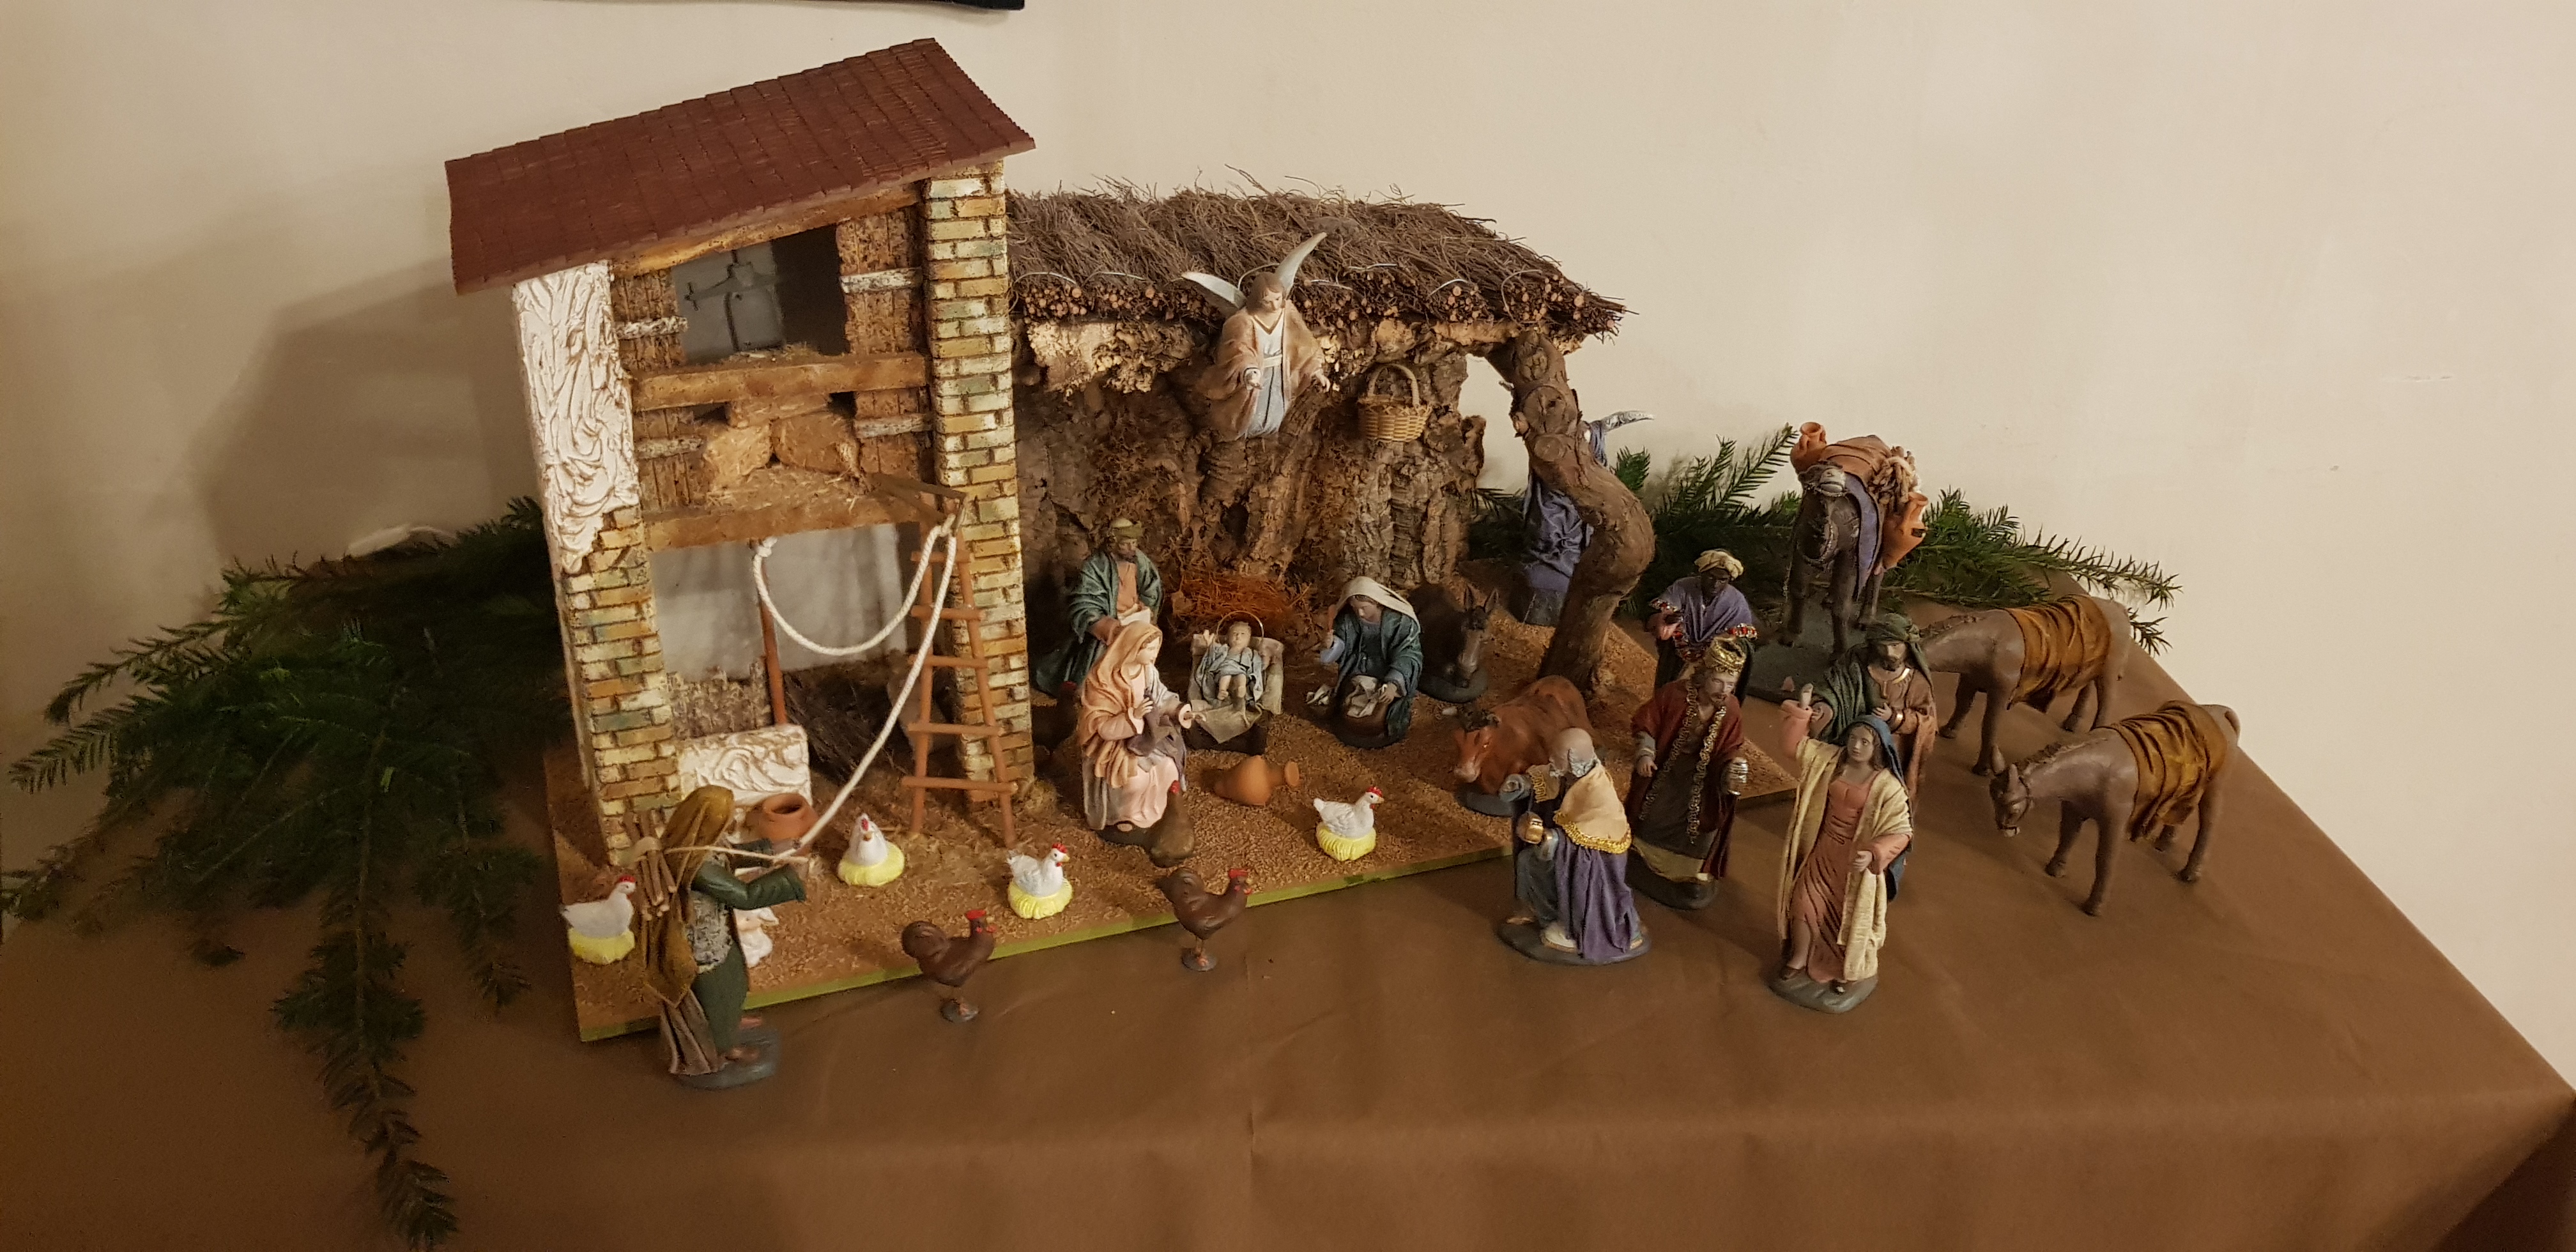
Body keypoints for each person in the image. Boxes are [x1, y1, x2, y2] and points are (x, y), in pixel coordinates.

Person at [638, 786, 811, 1085]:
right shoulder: (697, 866)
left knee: (736, 982)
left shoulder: (701, 842)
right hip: (702, 948)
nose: (732, 820)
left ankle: (733, 1021)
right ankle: (725, 1047)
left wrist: (772, 849)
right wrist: (791, 879)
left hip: (719, 935)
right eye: (726, 815)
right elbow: (744, 895)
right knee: (716, 999)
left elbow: (730, 856)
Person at [1770, 685, 1913, 1014]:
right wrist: (1803, 709)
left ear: (1878, 747)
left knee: (1845, 917)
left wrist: (1874, 852)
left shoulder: (1888, 787)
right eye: (1853, 739)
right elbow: (1794, 747)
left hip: (1854, 863)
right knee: (1804, 901)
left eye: (1865, 742)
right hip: (1822, 848)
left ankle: (1845, 971)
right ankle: (1799, 957)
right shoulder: (1829, 761)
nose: (1856, 746)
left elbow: (1902, 831)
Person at [1498, 728, 1648, 965]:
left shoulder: (1599, 793)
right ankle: (1539, 912)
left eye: (1557, 756)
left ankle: (1572, 925)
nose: (1551, 759)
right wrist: (1522, 785)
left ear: (1572, 760)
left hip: (1591, 868)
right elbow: (1546, 778)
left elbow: (1589, 841)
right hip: (1564, 853)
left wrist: (1552, 839)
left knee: (1536, 863)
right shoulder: (1568, 773)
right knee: (1528, 860)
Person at [1625, 645, 1751, 910]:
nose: (1724, 690)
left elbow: (1731, 748)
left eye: (1730, 684)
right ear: (1704, 676)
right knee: (1654, 816)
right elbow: (1647, 723)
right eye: (1718, 681)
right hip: (1667, 773)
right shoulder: (1674, 695)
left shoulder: (1731, 709)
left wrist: (1732, 769)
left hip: (1704, 780)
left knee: (1704, 825)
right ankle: (1643, 861)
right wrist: (1646, 754)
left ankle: (1690, 874)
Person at [1074, 621, 1191, 834]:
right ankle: (1125, 818)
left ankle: (1155, 814)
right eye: (1150, 649)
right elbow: (1099, 724)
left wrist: (1178, 710)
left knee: (1168, 768)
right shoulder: (1104, 679)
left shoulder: (1148, 671)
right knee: (1134, 780)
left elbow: (1161, 697)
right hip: (1115, 742)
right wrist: (1132, 716)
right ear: (1133, 647)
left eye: (1156, 648)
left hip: (1148, 735)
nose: (1155, 654)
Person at [1813, 611, 1940, 796]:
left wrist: (1896, 718)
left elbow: (1927, 721)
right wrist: (1826, 707)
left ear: (1907, 645)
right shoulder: (1856, 665)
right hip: (1853, 747)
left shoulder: (1916, 681)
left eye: (1895, 646)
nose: (1889, 653)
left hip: (1890, 755)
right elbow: (1834, 688)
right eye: (1883, 646)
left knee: (1877, 796)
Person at [1033, 518, 1162, 696]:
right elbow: (1084, 603)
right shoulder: (1096, 567)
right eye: (1125, 544)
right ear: (1112, 543)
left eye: (1134, 543)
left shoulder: (1139, 561)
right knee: (1099, 665)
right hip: (1110, 626)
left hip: (1137, 619)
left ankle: (1142, 688)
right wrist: (1107, 625)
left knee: (1148, 649)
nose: (1132, 548)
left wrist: (1147, 609)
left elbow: (1151, 588)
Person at [1195, 271, 1328, 441]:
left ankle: (1270, 434)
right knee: (1252, 412)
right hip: (1256, 373)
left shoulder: (1287, 312)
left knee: (1277, 410)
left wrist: (1316, 371)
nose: (1275, 306)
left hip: (1281, 374)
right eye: (1267, 301)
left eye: (1278, 299)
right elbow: (1238, 351)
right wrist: (1249, 371)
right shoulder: (1244, 320)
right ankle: (1247, 436)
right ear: (1258, 300)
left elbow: (1304, 344)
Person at [1312, 577, 1424, 747]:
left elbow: (1408, 655)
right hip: (1357, 671)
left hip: (1387, 674)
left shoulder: (1400, 623)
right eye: (1355, 608)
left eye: (1364, 608)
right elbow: (1342, 644)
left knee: (1377, 717)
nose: (1360, 613)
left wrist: (1394, 684)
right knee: (1350, 710)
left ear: (1377, 602)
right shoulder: (1350, 620)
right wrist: (1332, 645)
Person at [1646, 549, 1758, 689]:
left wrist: (1725, 641)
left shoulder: (1737, 601)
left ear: (1729, 580)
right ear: (1702, 574)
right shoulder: (1684, 586)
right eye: (1711, 577)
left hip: (1714, 658)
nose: (1715, 584)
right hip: (1679, 651)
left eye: (1722, 580)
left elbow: (1744, 634)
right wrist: (1668, 619)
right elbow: (1661, 612)